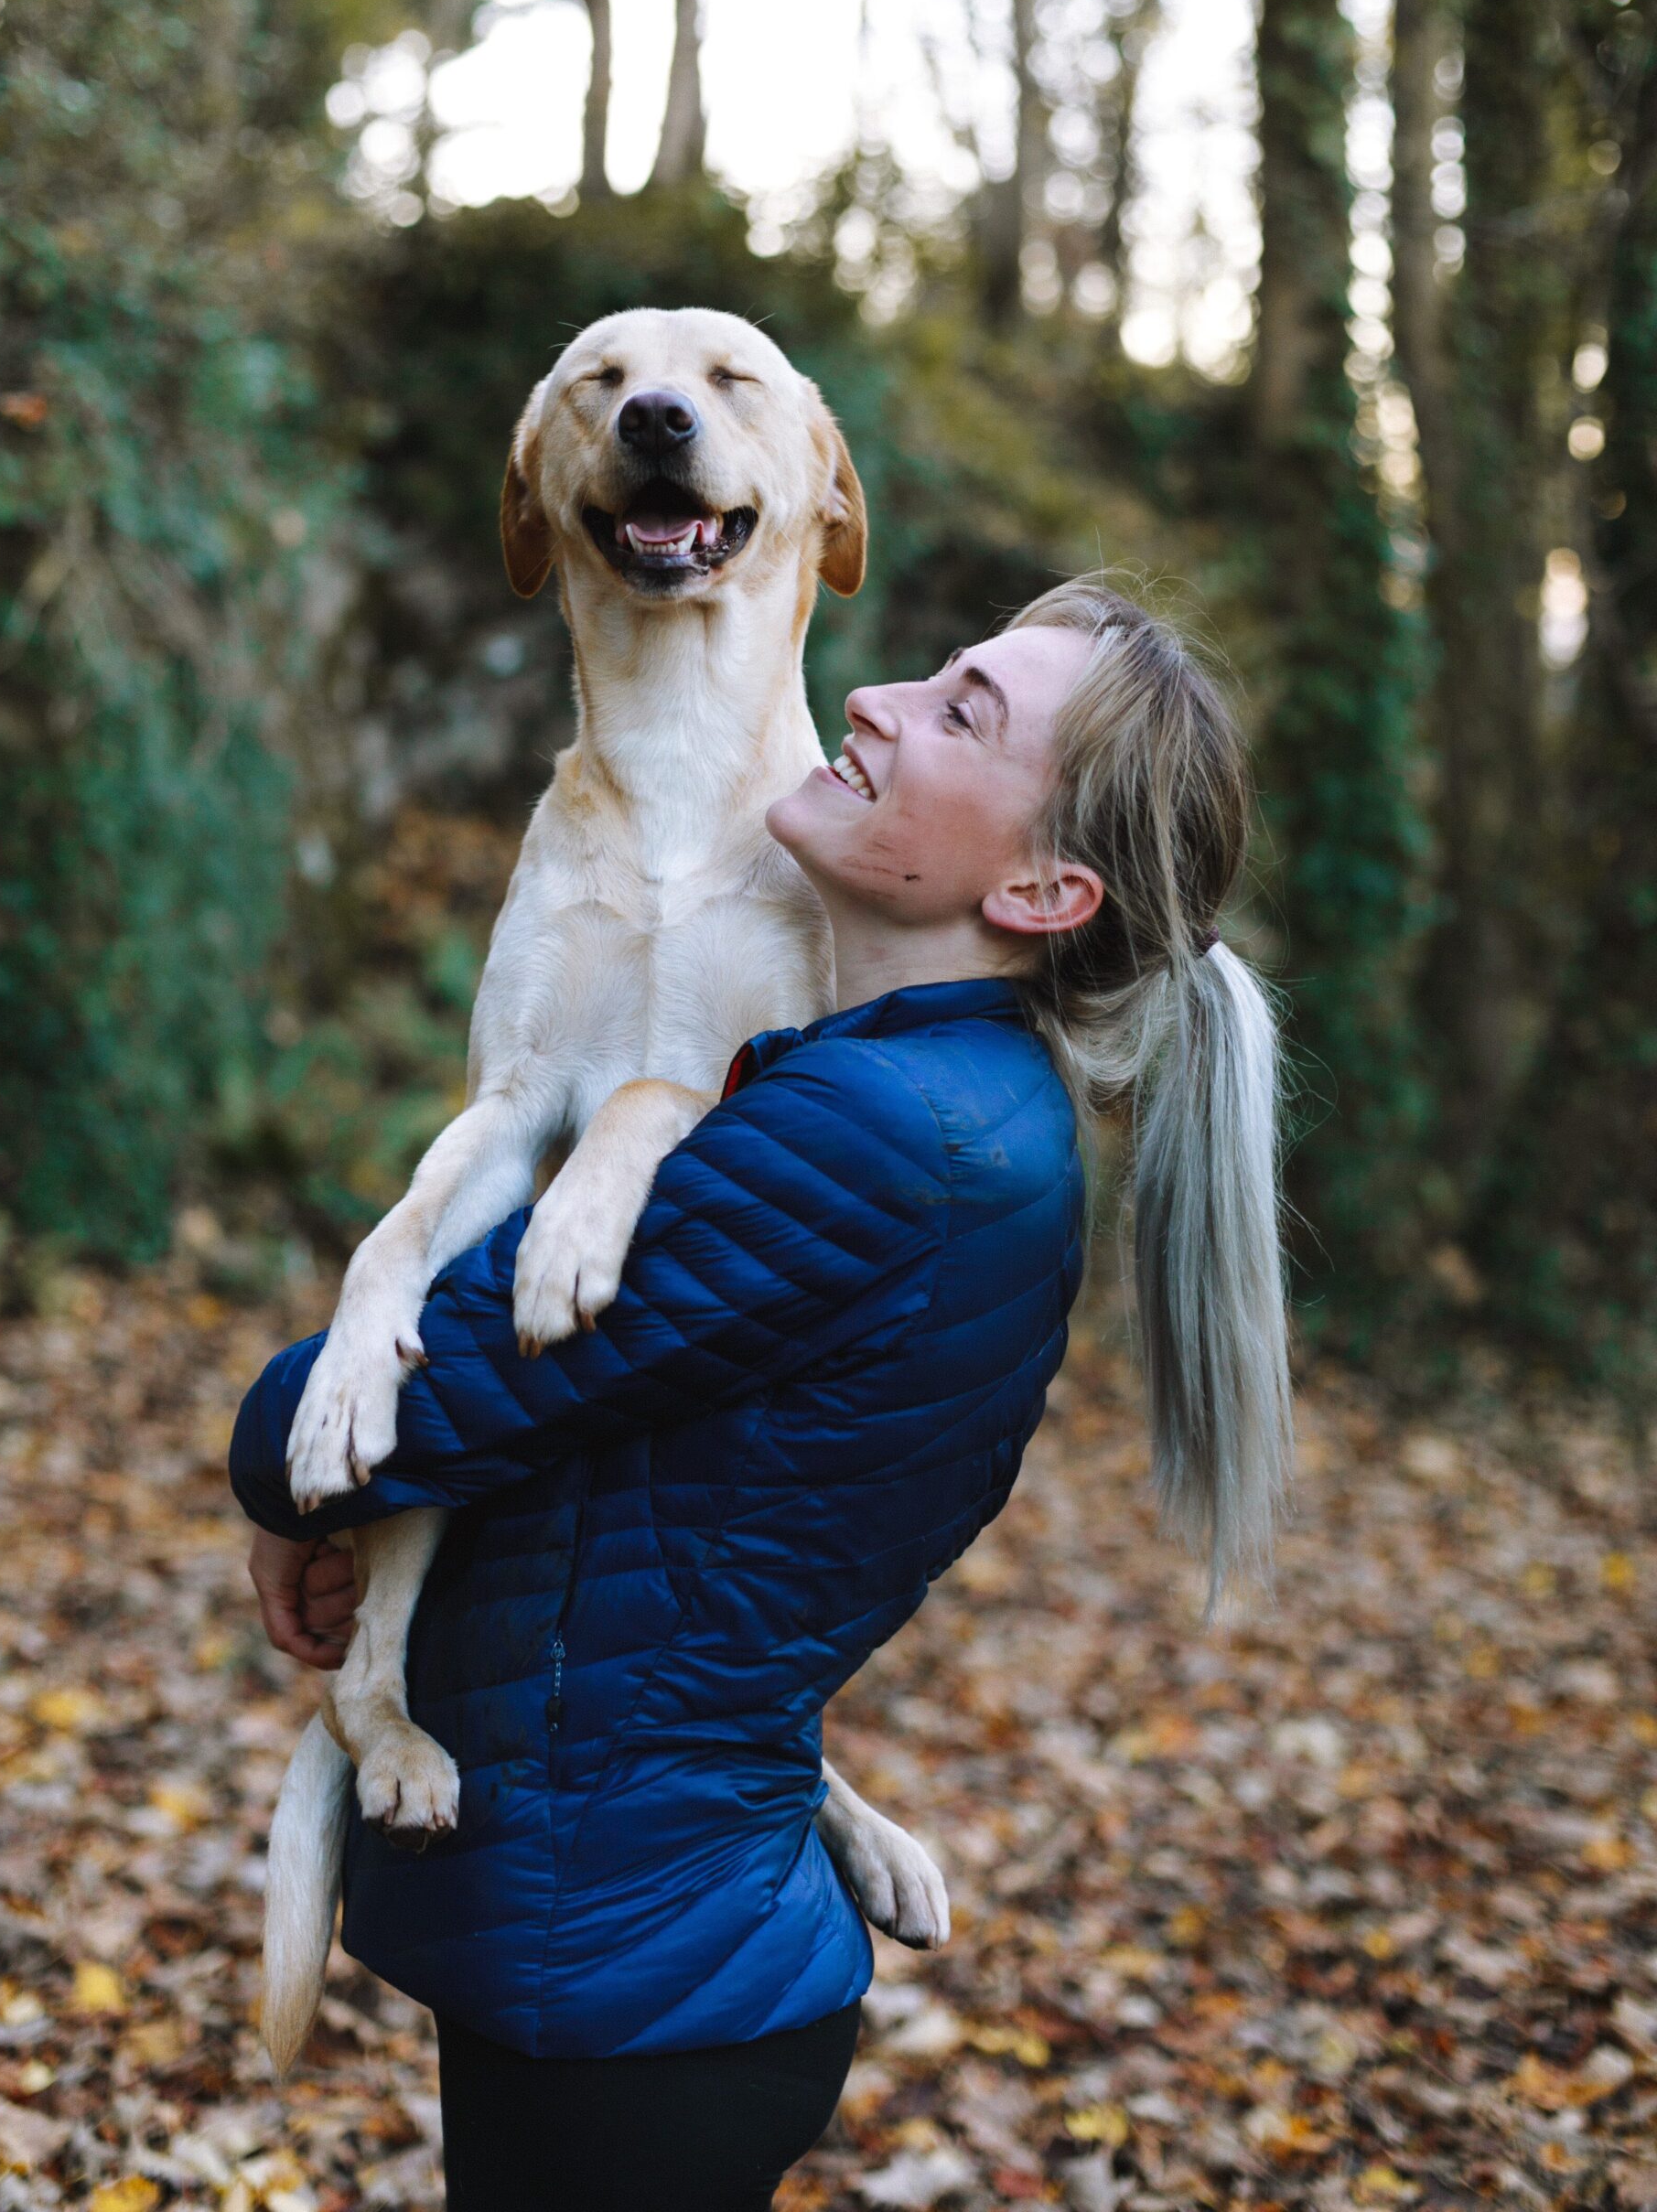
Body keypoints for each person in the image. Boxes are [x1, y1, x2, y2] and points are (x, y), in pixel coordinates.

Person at [231, 579, 1293, 2212]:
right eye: (935, 675)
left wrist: (290, 1468)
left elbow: (395, 1405)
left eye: (961, 714)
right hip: (646, 1946)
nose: (877, 699)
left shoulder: (874, 1138)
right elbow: (627, 1477)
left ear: (1043, 884)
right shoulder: (917, 1100)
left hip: (629, 1977)